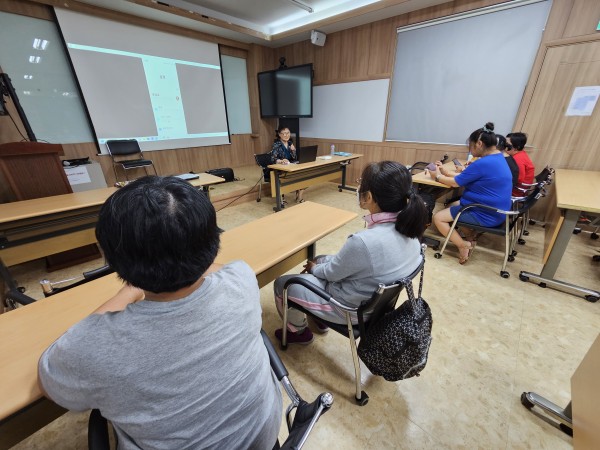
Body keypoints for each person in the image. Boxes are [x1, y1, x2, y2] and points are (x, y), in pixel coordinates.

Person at [38, 176, 282, 449]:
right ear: (213, 241)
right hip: (263, 437)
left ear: (113, 259)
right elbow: (219, 267)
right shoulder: (242, 278)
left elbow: (49, 381)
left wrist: (130, 291)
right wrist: (190, 259)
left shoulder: (92, 346)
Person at [273, 161, 427, 344]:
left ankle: (297, 332)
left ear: (368, 196)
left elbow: (332, 273)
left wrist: (315, 269)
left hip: (348, 310)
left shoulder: (364, 242)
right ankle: (318, 318)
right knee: (320, 259)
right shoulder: (412, 231)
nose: (359, 186)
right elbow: (342, 265)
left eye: (361, 183)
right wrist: (319, 264)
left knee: (283, 284)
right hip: (375, 304)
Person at [428, 122, 512, 265]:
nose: (469, 150)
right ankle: (470, 236)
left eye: (470, 146)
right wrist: (444, 173)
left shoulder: (484, 163)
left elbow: (456, 183)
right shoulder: (498, 158)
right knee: (454, 204)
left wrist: (436, 176)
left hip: (485, 213)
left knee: (439, 218)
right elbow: (465, 177)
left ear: (479, 143)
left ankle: (463, 245)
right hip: (497, 211)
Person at [270, 126, 305, 203]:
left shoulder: (290, 143)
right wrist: (281, 161)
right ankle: (282, 198)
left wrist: (293, 150)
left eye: (288, 133)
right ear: (279, 134)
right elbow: (273, 159)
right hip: (281, 169)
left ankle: (299, 197)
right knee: (287, 178)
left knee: (303, 175)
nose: (286, 135)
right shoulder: (277, 145)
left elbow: (294, 157)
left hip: (291, 167)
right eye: (284, 133)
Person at [506, 132, 535, 196]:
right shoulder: (520, 153)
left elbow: (517, 179)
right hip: (518, 187)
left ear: (517, 147)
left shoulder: (518, 160)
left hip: (517, 190)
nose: (505, 146)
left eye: (508, 145)